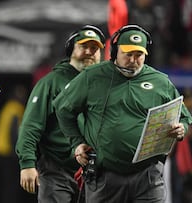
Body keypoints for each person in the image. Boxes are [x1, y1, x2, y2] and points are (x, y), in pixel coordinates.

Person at [53, 24, 192, 203]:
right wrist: (77, 143)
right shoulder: (93, 77)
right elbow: (63, 109)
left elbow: (184, 115)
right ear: (114, 52)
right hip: (106, 177)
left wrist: (182, 128)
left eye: (139, 55)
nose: (133, 60)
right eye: (128, 54)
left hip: (147, 177)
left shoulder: (160, 82)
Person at [15, 25, 105, 203]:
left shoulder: (105, 84)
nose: (89, 52)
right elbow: (31, 126)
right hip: (56, 169)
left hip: (95, 171)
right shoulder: (51, 82)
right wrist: (27, 163)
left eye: (94, 48)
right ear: (71, 50)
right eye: (83, 47)